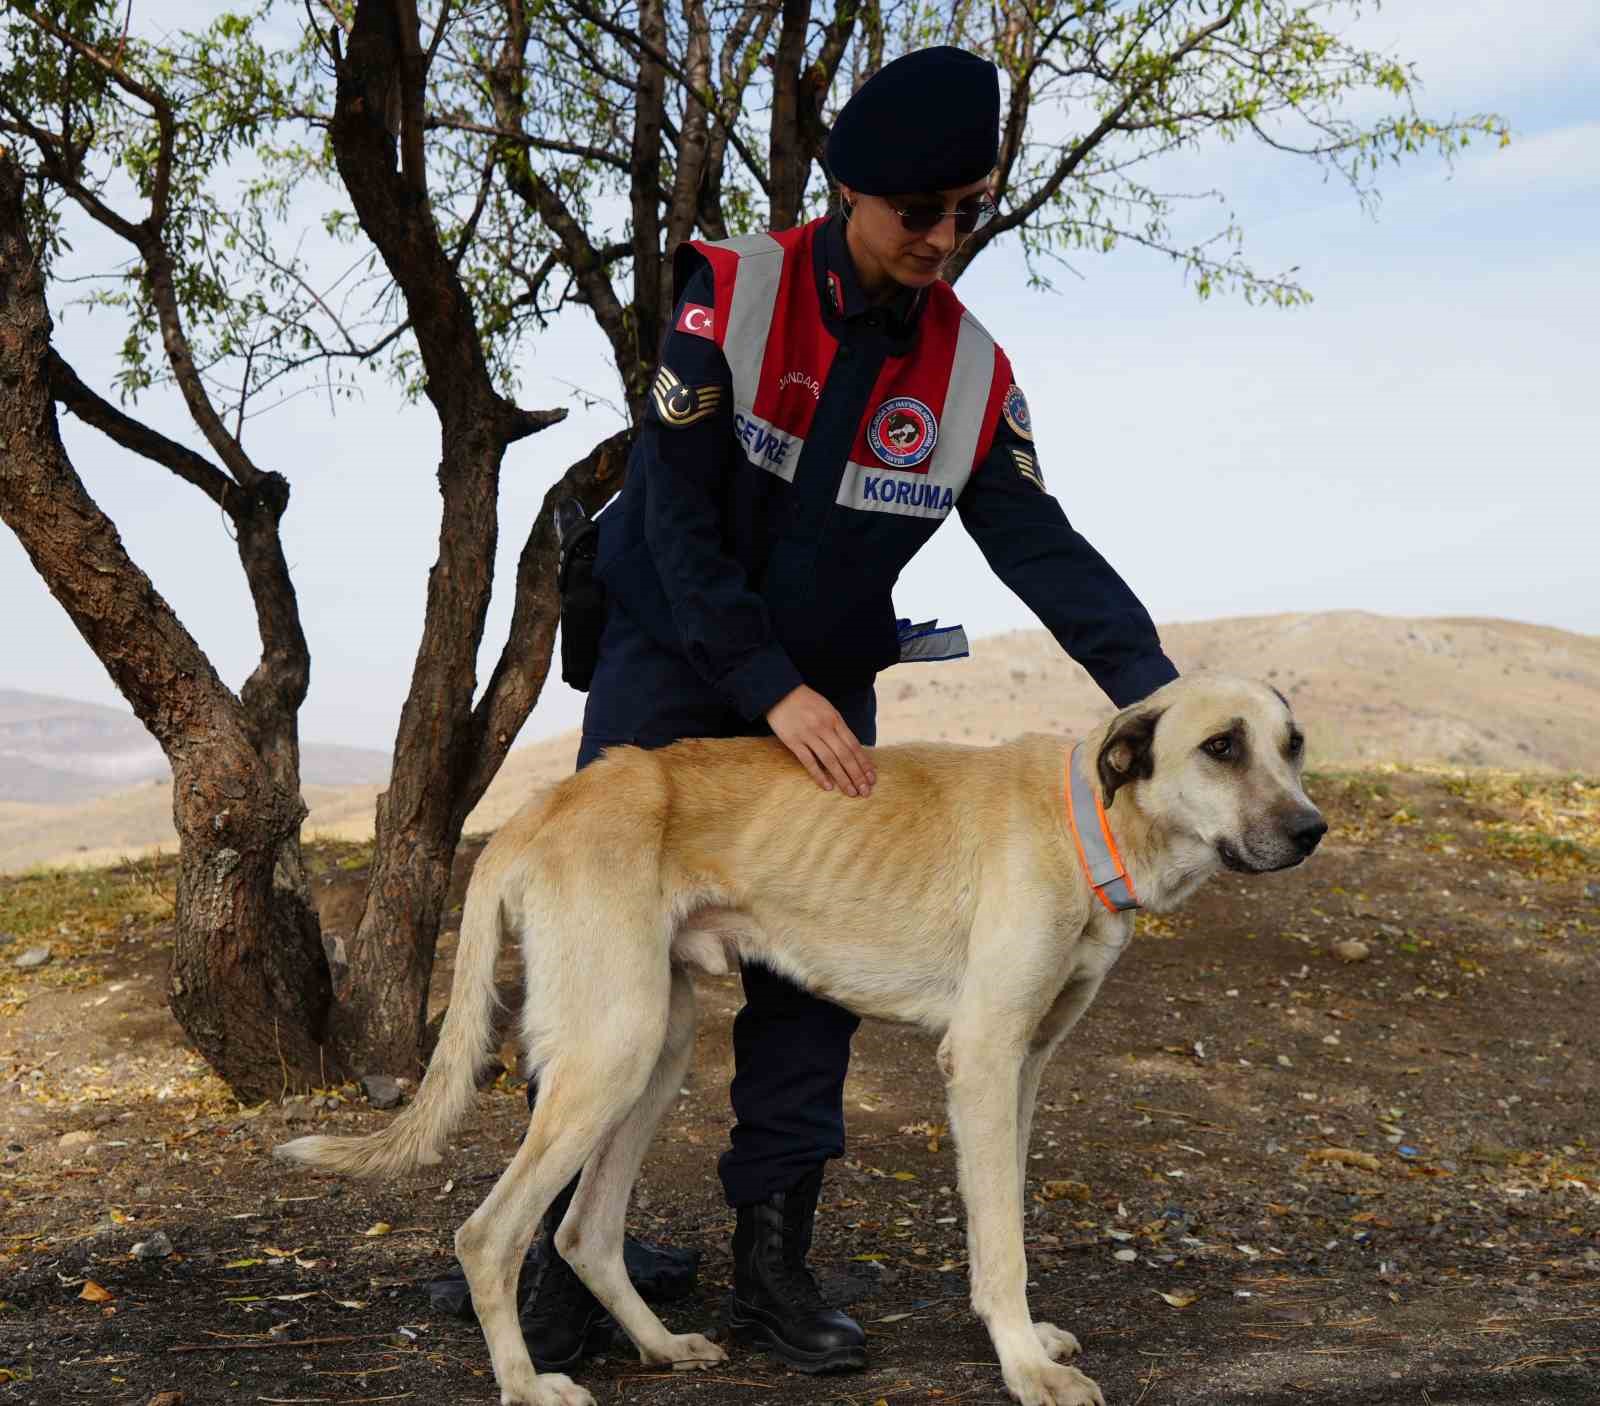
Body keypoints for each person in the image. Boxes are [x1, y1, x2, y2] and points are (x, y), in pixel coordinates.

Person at [518, 43, 1179, 1376]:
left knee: (818, 977)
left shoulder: (971, 377)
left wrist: (1163, 704)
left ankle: (773, 1255)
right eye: (919, 212)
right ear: (849, 194)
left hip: (824, 686)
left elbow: (1041, 549)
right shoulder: (732, 294)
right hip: (678, 654)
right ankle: (556, 1265)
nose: (945, 239)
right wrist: (770, 691)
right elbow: (680, 522)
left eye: (968, 212)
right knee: (614, 963)